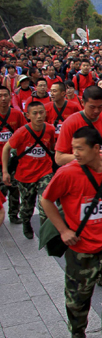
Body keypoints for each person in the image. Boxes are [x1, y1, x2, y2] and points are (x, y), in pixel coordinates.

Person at [41, 127, 102, 338]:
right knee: (78, 299)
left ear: (96, 149)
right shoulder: (67, 173)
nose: (75, 153)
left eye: (80, 149)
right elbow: (47, 200)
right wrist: (63, 230)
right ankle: (77, 328)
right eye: (73, 148)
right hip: (79, 246)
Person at [1, 100, 56, 238]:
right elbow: (6, 148)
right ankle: (26, 223)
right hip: (25, 175)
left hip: (45, 172)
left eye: (41, 112)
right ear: (28, 115)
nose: (39, 116)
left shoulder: (49, 129)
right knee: (27, 207)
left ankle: (46, 233)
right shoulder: (21, 132)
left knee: (45, 203)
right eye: (35, 113)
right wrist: (5, 171)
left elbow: (51, 147)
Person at [55, 85, 102, 166]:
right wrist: (87, 156)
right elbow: (59, 159)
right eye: (92, 107)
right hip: (79, 173)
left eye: (100, 106)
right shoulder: (70, 123)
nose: (96, 111)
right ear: (82, 103)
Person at [0, 86, 27, 224]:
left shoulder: (17, 114)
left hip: (14, 160)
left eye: (6, 95)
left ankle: (13, 214)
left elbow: (25, 134)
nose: (3, 99)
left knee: (15, 188)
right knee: (1, 189)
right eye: (0, 96)